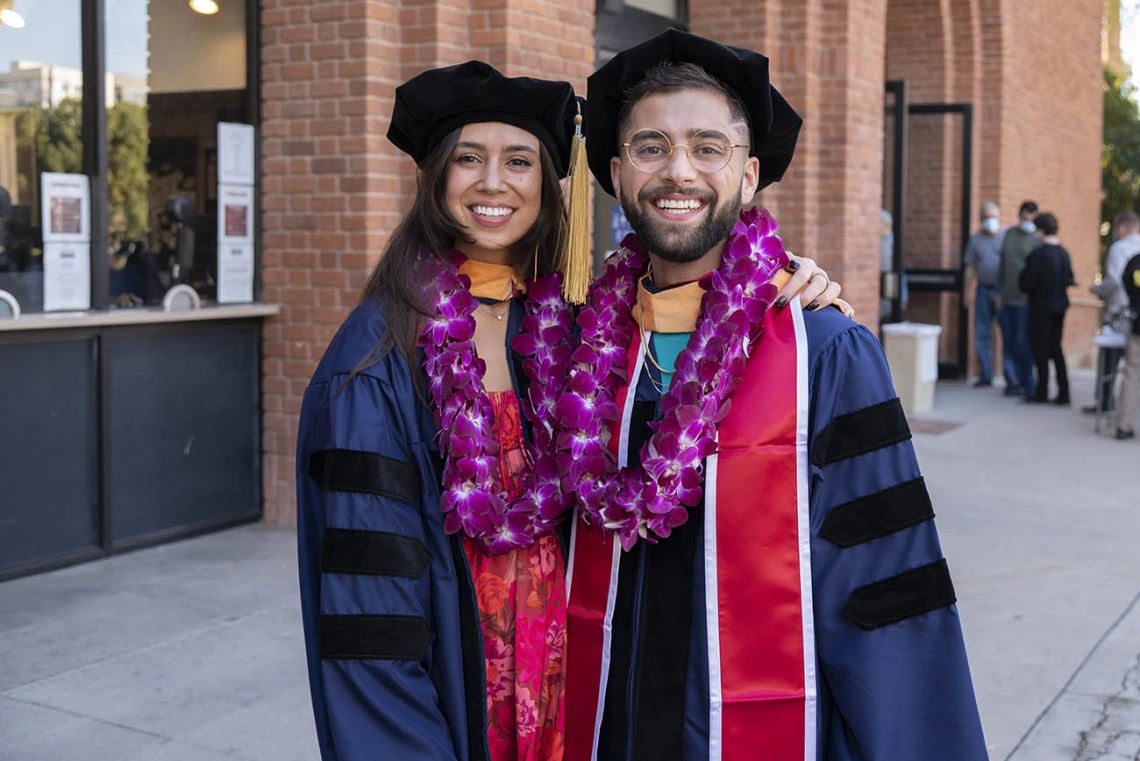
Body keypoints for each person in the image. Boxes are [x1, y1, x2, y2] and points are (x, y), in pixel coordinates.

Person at [294, 61, 843, 761]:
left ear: (548, 188)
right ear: (434, 179)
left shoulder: (568, 337)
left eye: (519, 160)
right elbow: (369, 621)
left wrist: (785, 275)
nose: (495, 182)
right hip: (458, 704)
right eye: (468, 159)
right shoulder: (375, 364)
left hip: (571, 703)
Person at [560, 30, 987, 761]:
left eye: (708, 147)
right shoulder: (580, 349)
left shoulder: (823, 351)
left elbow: (886, 589)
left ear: (749, 174)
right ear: (616, 171)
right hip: (607, 726)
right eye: (651, 147)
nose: (678, 171)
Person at [1088, 211, 1140, 414]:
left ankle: (1104, 401)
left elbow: (1115, 281)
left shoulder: (1119, 248)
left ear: (1121, 228)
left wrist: (1097, 289)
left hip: (1122, 312)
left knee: (1112, 360)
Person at [1020, 212, 1074, 405]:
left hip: (1041, 308)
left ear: (1040, 230)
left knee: (1041, 350)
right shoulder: (1064, 253)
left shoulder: (1039, 254)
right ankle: (1064, 393)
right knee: (1056, 350)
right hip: (1059, 307)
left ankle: (1041, 391)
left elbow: (1026, 283)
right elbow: (1069, 279)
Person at [997, 200, 1039, 397]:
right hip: (1006, 297)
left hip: (1025, 301)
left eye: (1030, 218)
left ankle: (1027, 381)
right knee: (1008, 341)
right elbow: (1002, 265)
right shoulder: (1009, 234)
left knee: (1023, 342)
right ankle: (1011, 380)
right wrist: (999, 292)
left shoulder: (1037, 240)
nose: (1026, 221)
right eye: (1023, 217)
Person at [963, 201, 1005, 387]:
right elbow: (970, 267)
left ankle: (1008, 375)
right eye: (986, 218)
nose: (990, 221)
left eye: (993, 217)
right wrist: (968, 291)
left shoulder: (1006, 237)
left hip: (1003, 291)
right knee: (982, 333)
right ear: (981, 220)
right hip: (983, 290)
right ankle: (986, 374)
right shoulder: (976, 239)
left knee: (1006, 333)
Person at [1116, 242, 1140, 440]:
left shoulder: (1136, 261)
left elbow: (1127, 281)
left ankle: (1124, 424)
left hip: (1138, 326)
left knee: (1132, 375)